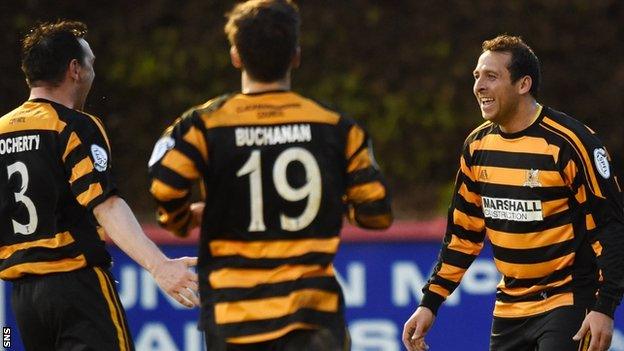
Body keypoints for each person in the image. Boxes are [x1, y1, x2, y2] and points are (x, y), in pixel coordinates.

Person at [147, 1, 393, 350]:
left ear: (235, 56)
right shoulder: (337, 126)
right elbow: (377, 213)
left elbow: (165, 185)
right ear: (296, 55)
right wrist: (332, 202)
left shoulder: (203, 124)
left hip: (234, 317)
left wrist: (182, 220)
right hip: (314, 319)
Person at [403, 34, 624, 351]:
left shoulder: (570, 143)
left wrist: (605, 306)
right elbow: (463, 235)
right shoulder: (477, 146)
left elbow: (611, 226)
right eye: (477, 76)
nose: (479, 86)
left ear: (523, 85)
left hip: (569, 299)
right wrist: (430, 302)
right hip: (510, 306)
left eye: (491, 76)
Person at [0, 21, 200, 350]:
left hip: (23, 301)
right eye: (91, 63)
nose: (94, 72)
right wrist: (159, 266)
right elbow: (105, 204)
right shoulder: (73, 125)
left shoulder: (3, 130)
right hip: (76, 286)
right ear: (74, 69)